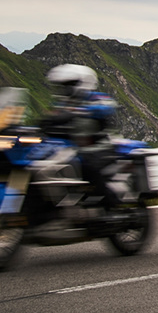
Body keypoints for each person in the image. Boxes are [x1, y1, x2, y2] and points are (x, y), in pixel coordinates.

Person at [41, 63, 120, 206]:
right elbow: (52, 119)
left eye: (68, 85)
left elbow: (108, 106)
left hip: (98, 150)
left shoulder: (95, 98)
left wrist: (83, 110)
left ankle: (112, 203)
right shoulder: (62, 104)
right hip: (72, 150)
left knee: (89, 169)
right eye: (63, 86)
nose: (65, 90)